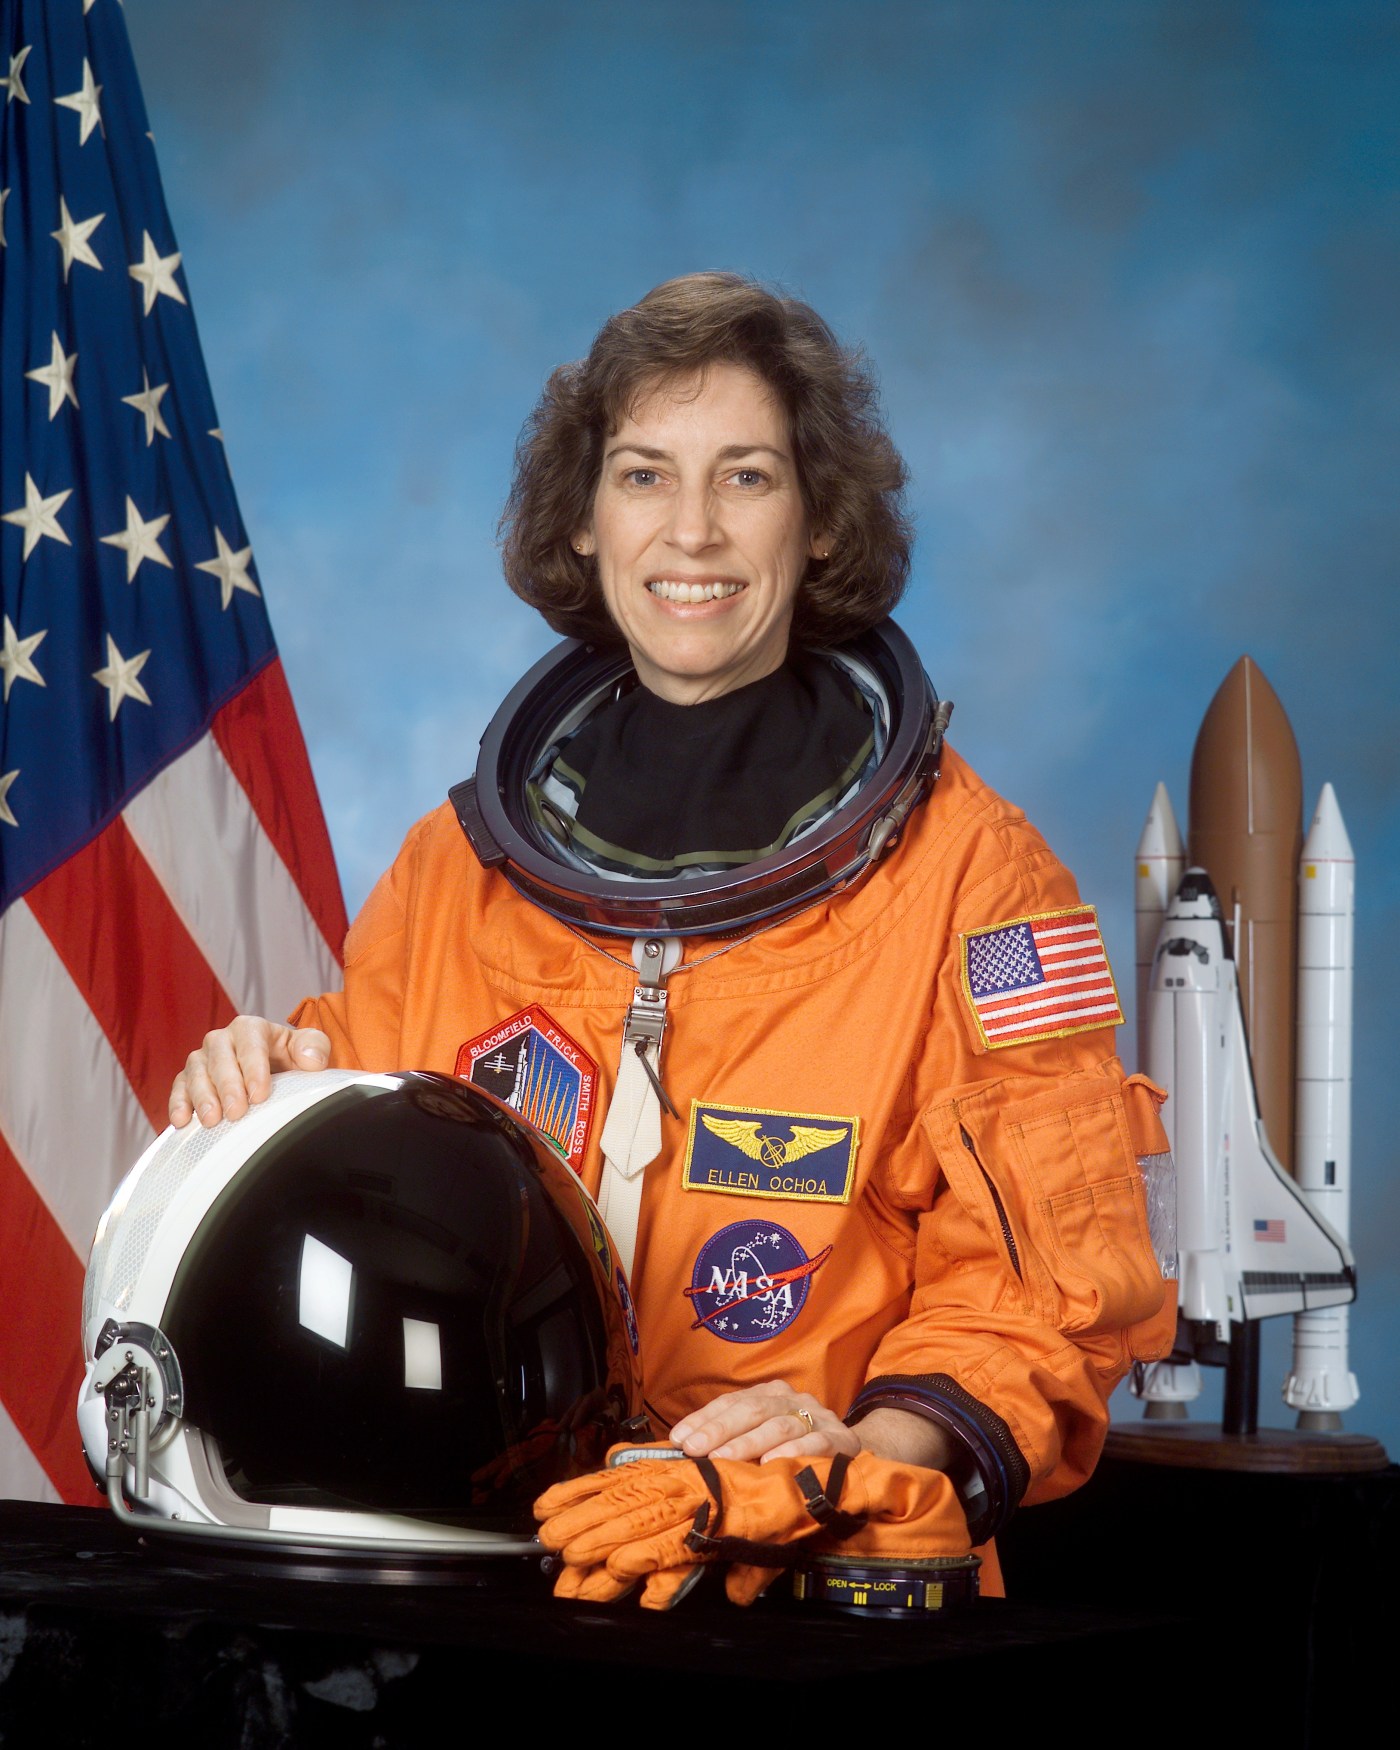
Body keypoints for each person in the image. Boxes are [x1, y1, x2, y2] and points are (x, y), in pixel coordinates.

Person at [169, 272, 1175, 1593]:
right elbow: (372, 1193)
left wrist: (849, 1459)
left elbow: (1049, 1285)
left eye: (746, 477)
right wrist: (273, 1100)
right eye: (644, 476)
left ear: (821, 521)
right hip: (490, 1583)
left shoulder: (979, 884)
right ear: (585, 523)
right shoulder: (455, 875)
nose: (691, 530)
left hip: (808, 1598)